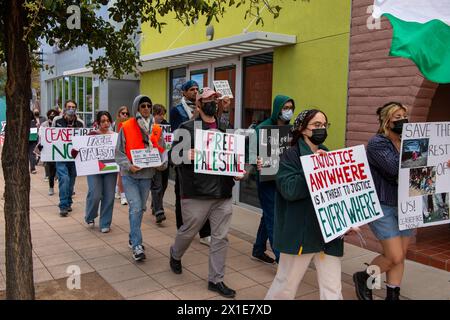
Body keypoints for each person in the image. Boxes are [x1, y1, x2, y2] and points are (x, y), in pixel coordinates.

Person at [169, 87, 245, 298]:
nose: (212, 101)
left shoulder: (226, 129)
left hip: (223, 192)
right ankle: (175, 253)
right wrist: (186, 154)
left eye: (215, 98)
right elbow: (172, 157)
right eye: (208, 99)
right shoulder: (187, 128)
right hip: (196, 193)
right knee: (188, 230)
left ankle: (216, 279)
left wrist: (238, 171)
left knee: (220, 238)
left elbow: (233, 158)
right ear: (199, 104)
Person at [265, 109, 344, 300]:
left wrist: (347, 219)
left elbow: (338, 192)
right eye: (317, 125)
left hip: (328, 233)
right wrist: (312, 169)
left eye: (325, 125)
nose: (322, 129)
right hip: (299, 233)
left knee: (333, 288)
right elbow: (289, 190)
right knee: (285, 285)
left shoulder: (328, 154)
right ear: (302, 129)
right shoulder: (290, 156)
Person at [353, 102, 412, 301]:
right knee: (394, 256)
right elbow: (395, 169)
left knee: (400, 255)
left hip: (407, 205)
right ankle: (364, 278)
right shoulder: (378, 143)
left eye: (404, 115)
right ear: (386, 121)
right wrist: (419, 152)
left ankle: (392, 294)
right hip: (383, 204)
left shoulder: (408, 141)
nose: (403, 120)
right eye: (397, 117)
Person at [115, 95, 166, 261]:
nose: (146, 108)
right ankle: (137, 245)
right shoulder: (126, 126)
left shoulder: (157, 129)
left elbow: (163, 151)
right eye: (142, 105)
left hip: (147, 175)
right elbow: (119, 153)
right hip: (130, 174)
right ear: (137, 107)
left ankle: (132, 235)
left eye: (148, 105)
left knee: (140, 208)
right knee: (136, 207)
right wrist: (129, 166)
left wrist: (161, 165)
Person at [252, 95, 295, 264]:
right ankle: (280, 258)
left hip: (283, 179)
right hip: (267, 180)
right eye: (285, 108)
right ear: (277, 109)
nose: (288, 111)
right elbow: (252, 152)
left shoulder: (292, 130)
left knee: (268, 214)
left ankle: (258, 249)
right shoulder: (262, 128)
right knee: (273, 217)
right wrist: (257, 162)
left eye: (291, 107)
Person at [170, 80, 211, 246]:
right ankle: (182, 227)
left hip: (202, 159)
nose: (195, 91)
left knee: (206, 196)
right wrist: (193, 119)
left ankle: (205, 232)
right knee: (182, 194)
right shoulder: (177, 110)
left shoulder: (203, 108)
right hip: (185, 159)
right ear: (184, 93)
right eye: (191, 89)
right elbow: (176, 134)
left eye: (197, 89)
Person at [72, 111, 118, 233]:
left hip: (110, 169)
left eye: (108, 120)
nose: (106, 123)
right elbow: (77, 151)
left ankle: (105, 223)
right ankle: (90, 215)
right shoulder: (91, 135)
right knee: (95, 194)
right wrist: (76, 149)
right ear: (98, 123)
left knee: (109, 196)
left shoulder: (115, 136)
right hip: (93, 170)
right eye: (103, 121)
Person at [52, 100, 85, 217]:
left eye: (73, 107)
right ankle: (63, 205)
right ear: (64, 108)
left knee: (71, 181)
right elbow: (51, 137)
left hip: (74, 157)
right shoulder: (57, 121)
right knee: (64, 179)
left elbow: (83, 140)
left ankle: (69, 201)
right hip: (61, 156)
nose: (71, 109)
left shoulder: (80, 123)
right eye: (69, 107)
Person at [150, 104, 170, 224]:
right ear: (153, 114)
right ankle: (159, 211)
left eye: (163, 114)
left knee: (164, 184)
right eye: (159, 114)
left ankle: (155, 203)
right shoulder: (148, 126)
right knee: (157, 185)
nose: (161, 117)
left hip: (164, 158)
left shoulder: (167, 126)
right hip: (154, 159)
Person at [39, 109, 59, 195]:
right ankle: (51, 187)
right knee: (51, 170)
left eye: (54, 114)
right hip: (50, 151)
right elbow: (40, 135)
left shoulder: (59, 124)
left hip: (59, 150)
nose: (52, 115)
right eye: (50, 114)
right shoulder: (44, 125)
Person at [114, 106, 130, 205]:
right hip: (118, 151)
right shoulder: (114, 124)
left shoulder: (129, 124)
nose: (125, 115)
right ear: (119, 114)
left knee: (121, 173)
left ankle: (117, 190)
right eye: (123, 113)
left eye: (126, 113)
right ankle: (123, 195)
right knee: (121, 173)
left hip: (128, 151)